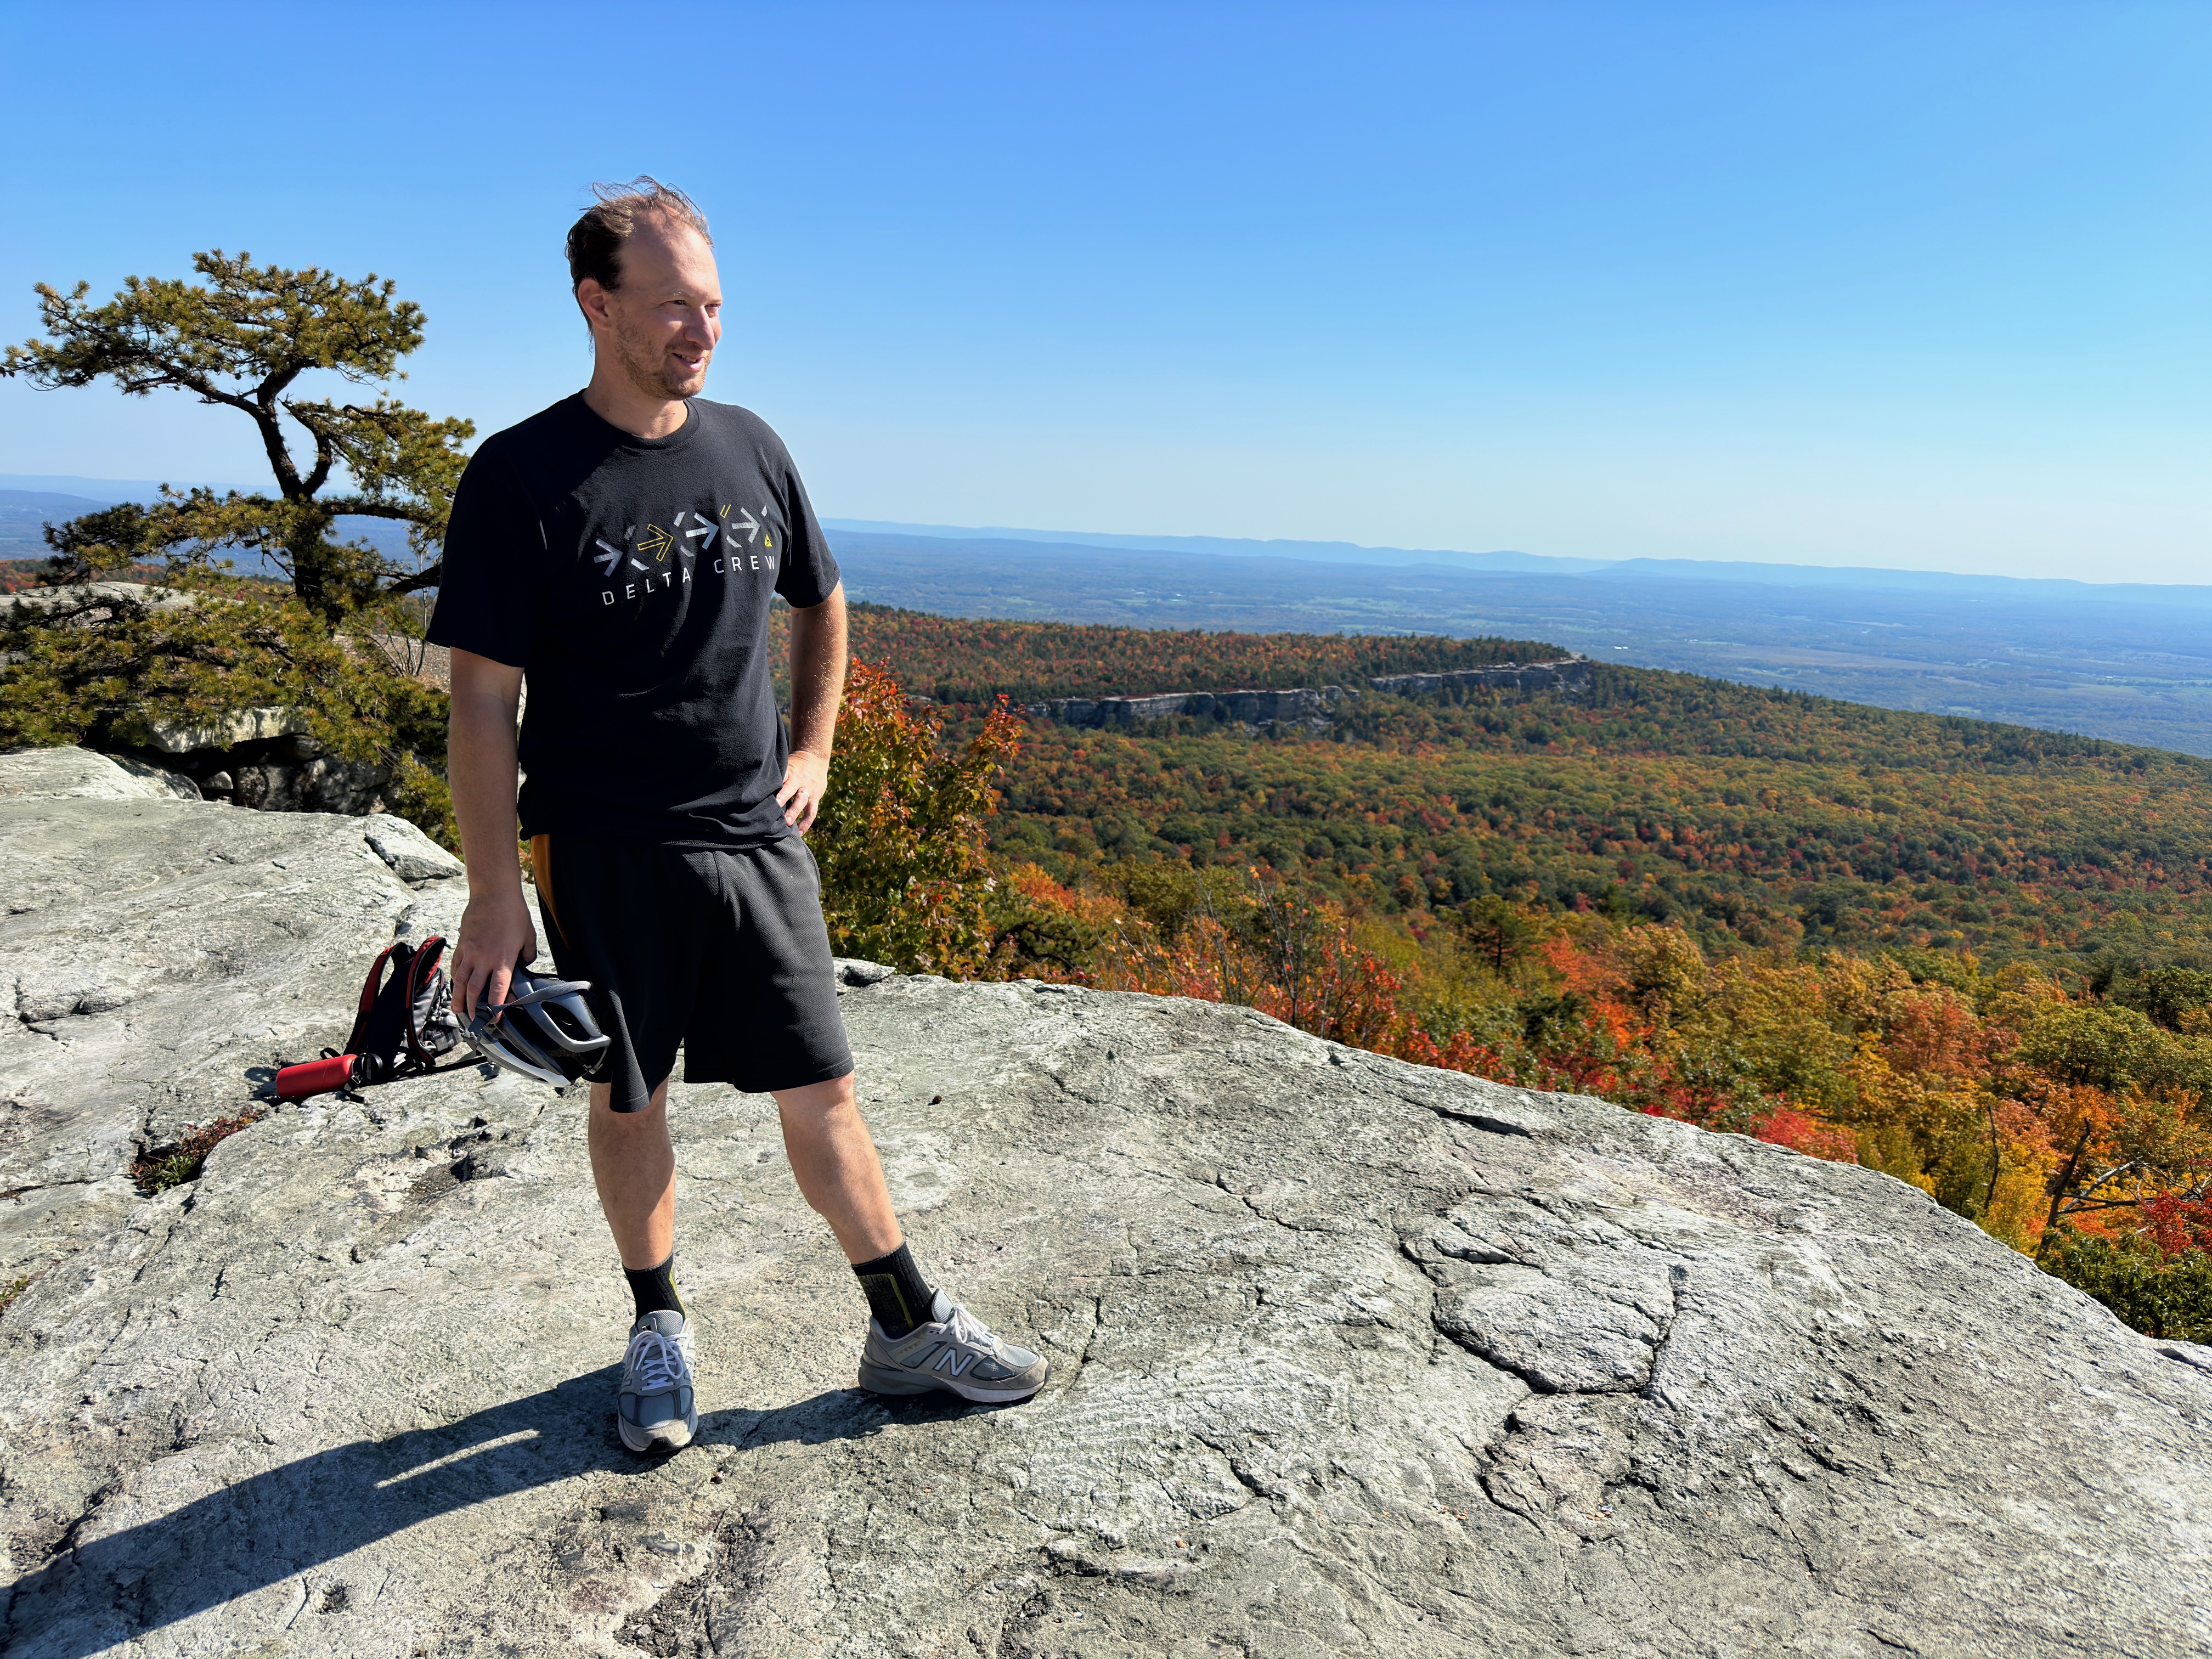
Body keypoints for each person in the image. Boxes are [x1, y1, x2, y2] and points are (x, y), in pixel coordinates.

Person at [428, 178, 1047, 1454]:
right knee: (629, 1095)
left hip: (754, 838)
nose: (700, 331)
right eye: (670, 307)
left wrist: (814, 745)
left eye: (711, 305)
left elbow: (824, 601)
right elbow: (482, 704)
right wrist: (495, 894)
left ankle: (906, 1327)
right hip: (602, 841)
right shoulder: (521, 476)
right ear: (596, 304)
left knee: (822, 1086)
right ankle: (658, 1325)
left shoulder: (754, 445)